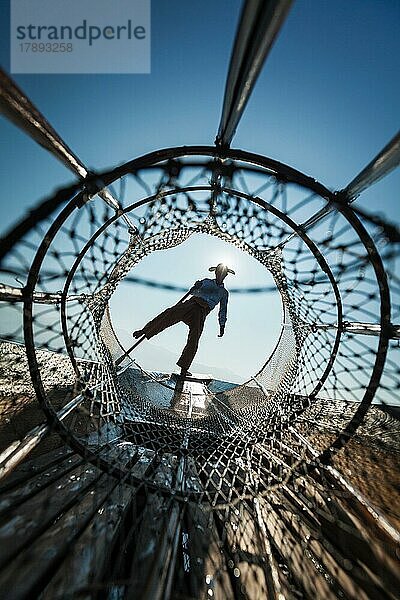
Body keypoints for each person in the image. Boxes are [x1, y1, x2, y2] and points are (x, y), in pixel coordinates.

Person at [132, 263, 235, 377]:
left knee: (194, 338)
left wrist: (222, 325)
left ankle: (184, 368)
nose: (220, 274)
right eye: (218, 272)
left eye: (222, 273)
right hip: (191, 304)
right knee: (168, 314)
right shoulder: (206, 281)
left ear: (225, 275)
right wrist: (195, 287)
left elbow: (223, 310)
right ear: (215, 272)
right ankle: (145, 331)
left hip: (201, 312)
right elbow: (193, 292)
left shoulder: (224, 293)